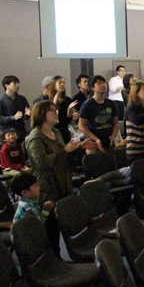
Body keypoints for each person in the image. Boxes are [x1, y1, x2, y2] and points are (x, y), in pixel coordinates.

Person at [26, 100, 96, 255]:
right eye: (52, 110)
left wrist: (79, 147)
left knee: (65, 219)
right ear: (42, 115)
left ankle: (73, 253)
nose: (56, 113)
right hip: (47, 186)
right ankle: (55, 257)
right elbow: (41, 163)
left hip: (63, 180)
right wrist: (65, 150)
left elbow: (63, 155)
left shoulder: (56, 132)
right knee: (51, 225)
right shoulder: (35, 137)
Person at [79, 75, 119, 151]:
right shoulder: (87, 104)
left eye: (104, 83)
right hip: (93, 144)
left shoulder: (111, 103)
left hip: (109, 142)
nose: (103, 85)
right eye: (99, 83)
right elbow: (82, 126)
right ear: (92, 88)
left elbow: (116, 123)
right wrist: (96, 139)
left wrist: (113, 136)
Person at [0, 75, 31, 141]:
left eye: (18, 83)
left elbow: (25, 116)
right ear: (7, 85)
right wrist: (13, 117)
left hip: (21, 131)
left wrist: (27, 114)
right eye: (15, 83)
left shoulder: (22, 99)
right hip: (8, 133)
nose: (17, 85)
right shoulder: (0, 101)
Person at [50, 76, 77, 143]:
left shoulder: (67, 100)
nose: (62, 84)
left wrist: (69, 109)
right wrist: (57, 95)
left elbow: (68, 119)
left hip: (64, 129)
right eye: (60, 82)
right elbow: (51, 111)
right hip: (52, 129)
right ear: (54, 84)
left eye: (64, 83)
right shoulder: (47, 99)